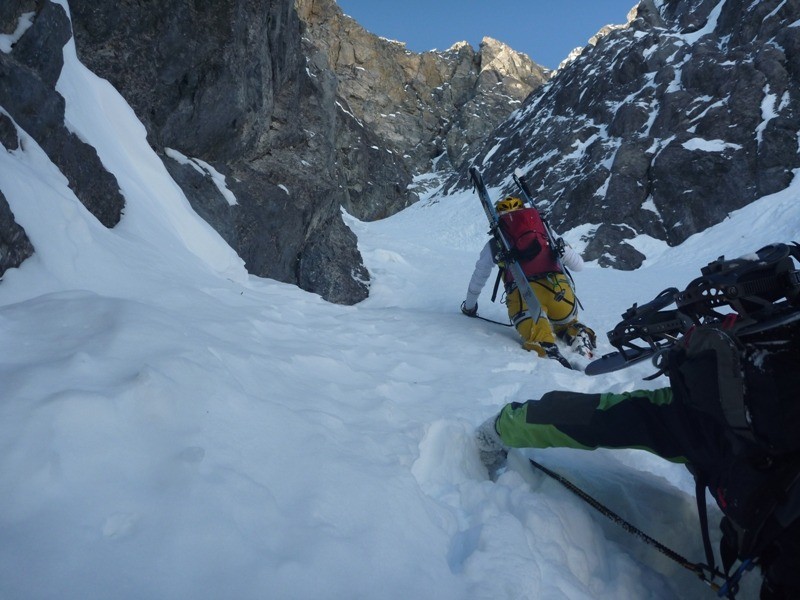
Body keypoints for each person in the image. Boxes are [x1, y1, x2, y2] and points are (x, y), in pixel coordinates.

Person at [474, 243, 800, 599]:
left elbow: (599, 418)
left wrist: (503, 426)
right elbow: (577, 264)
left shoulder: (712, 407)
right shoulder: (740, 402)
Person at [461, 196, 595, 365]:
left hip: (525, 297)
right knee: (566, 324)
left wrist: (469, 307)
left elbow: (479, 277)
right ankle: (576, 333)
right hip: (561, 293)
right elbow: (579, 266)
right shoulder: (546, 232)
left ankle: (548, 350)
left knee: (538, 333)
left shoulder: (496, 244)